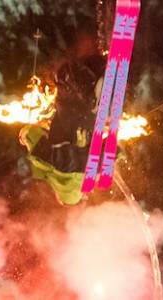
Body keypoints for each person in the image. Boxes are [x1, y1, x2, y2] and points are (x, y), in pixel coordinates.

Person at [20, 36, 105, 206]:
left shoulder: (92, 170)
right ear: (58, 193)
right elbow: (32, 135)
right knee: (68, 71)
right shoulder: (50, 165)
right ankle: (88, 78)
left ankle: (99, 83)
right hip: (69, 97)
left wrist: (116, 150)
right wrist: (25, 134)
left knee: (94, 61)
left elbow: (112, 150)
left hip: (90, 113)